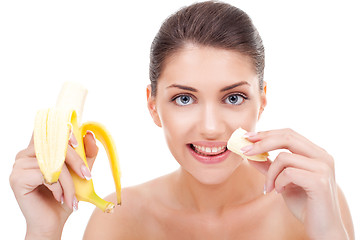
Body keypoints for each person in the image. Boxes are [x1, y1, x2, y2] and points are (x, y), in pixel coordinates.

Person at [10, 1, 354, 239]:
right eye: (184, 98)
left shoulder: (313, 201)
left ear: (261, 101)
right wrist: (43, 233)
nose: (209, 127)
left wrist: (328, 235)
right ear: (153, 105)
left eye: (233, 97)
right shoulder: (117, 221)